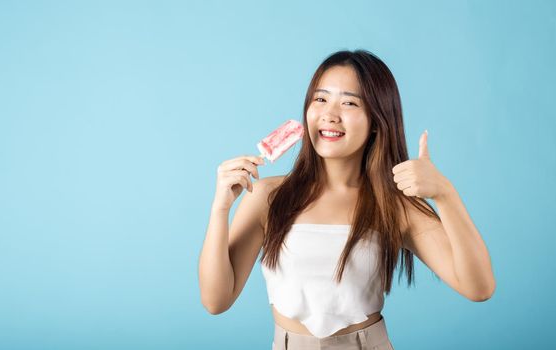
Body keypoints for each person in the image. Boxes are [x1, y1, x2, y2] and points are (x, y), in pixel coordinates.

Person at [198, 50, 496, 350]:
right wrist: (219, 209)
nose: (330, 113)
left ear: (377, 121)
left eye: (350, 102)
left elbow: (479, 287)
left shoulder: (394, 205)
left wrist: (445, 195)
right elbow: (216, 301)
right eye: (321, 99)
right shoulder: (267, 197)